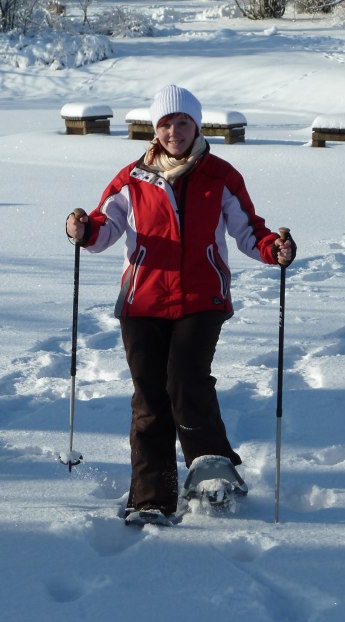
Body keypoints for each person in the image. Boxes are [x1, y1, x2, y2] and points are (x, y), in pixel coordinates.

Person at [65, 84, 296, 524]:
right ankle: (151, 494)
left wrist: (274, 249)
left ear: (196, 124)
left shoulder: (220, 175)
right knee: (150, 397)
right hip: (142, 301)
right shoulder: (131, 179)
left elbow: (250, 231)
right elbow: (103, 227)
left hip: (202, 298)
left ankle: (212, 472)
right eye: (166, 123)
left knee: (186, 380)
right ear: (156, 129)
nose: (175, 131)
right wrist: (82, 231)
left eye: (183, 122)